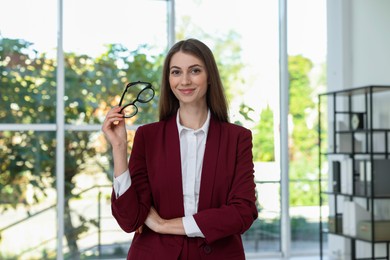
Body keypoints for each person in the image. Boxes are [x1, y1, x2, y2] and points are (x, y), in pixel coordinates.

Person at [102, 38, 258, 260]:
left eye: (194, 71)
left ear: (210, 76)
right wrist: (118, 147)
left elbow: (243, 212)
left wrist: (164, 225)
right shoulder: (148, 136)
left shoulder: (237, 138)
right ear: (168, 80)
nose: (185, 80)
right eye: (176, 72)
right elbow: (130, 219)